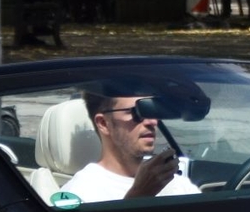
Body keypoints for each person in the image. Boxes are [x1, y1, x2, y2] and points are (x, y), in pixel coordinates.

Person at [55, 85, 201, 204]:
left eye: (151, 110)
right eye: (135, 112)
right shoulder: (78, 194)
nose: (152, 121)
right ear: (104, 123)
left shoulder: (174, 182)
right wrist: (139, 196)